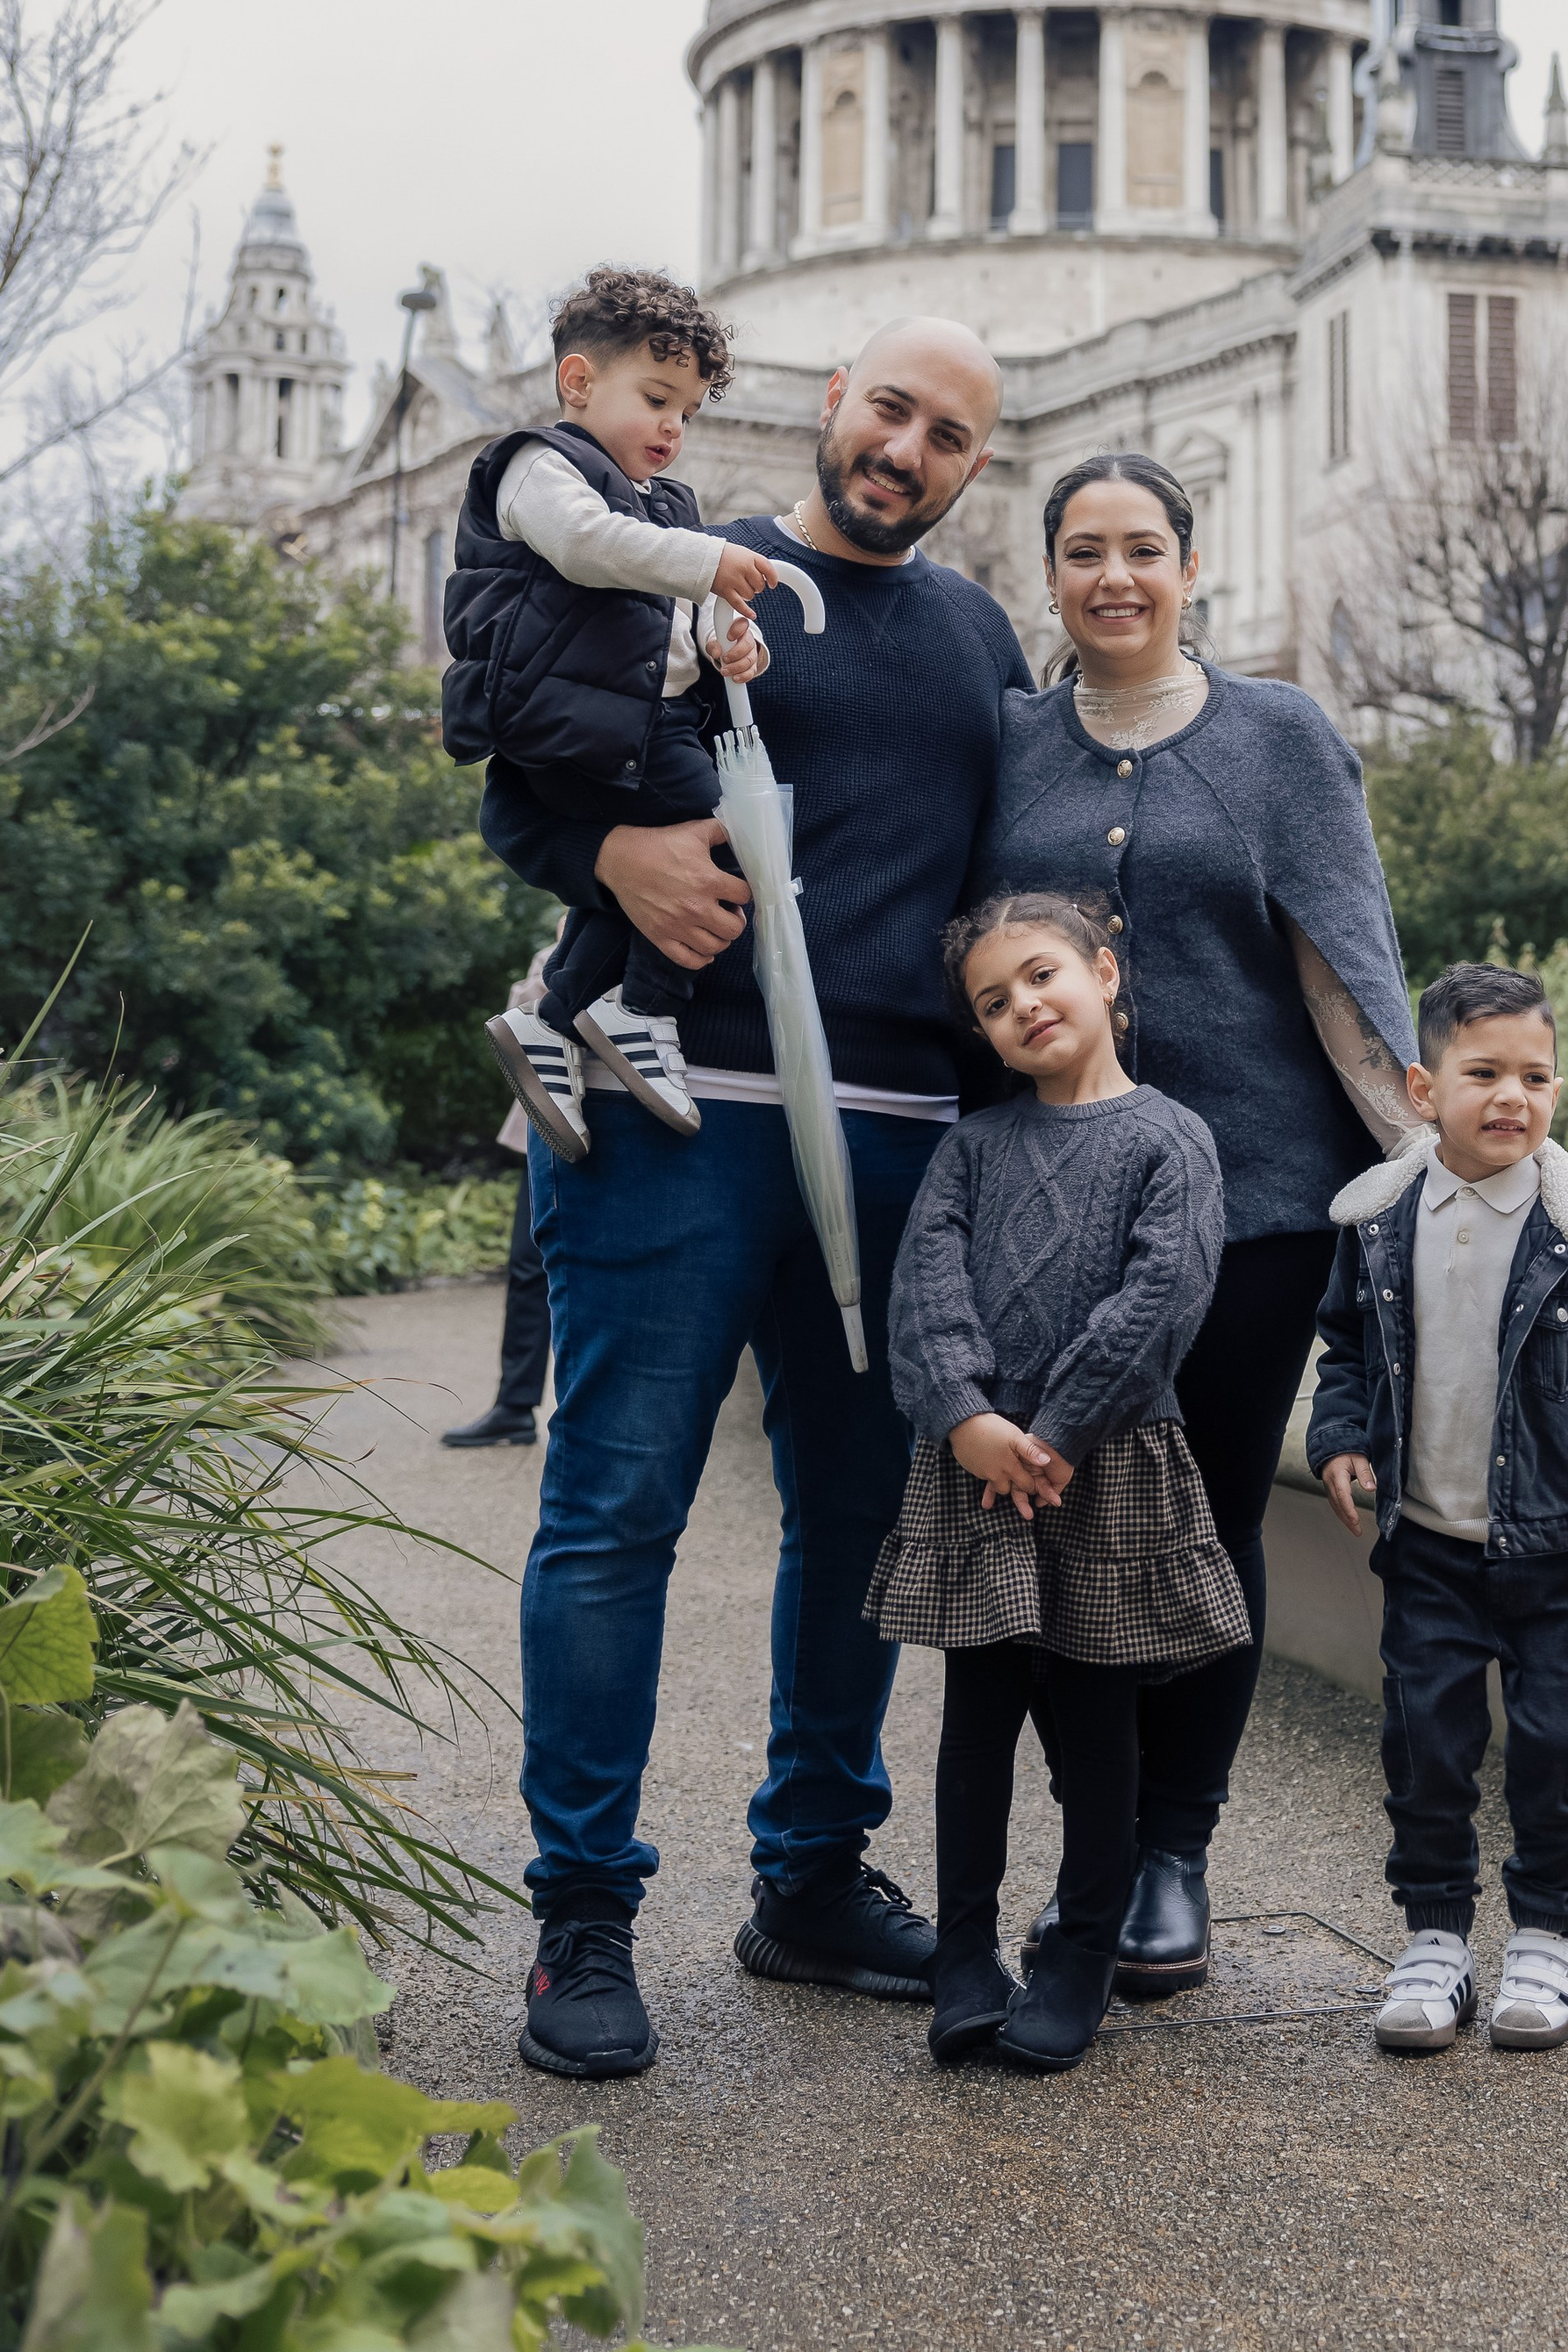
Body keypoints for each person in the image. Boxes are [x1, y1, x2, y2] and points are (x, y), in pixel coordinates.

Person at [477, 317, 1032, 2080]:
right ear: (830, 408)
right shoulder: (675, 571)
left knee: (863, 1522)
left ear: (968, 467)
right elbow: (513, 754)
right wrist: (606, 853)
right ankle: (583, 1917)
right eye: (889, 410)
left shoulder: (975, 637)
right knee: (613, 1505)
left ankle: (807, 1876)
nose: (905, 450)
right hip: (669, 1105)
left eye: (946, 435)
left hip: (895, 1133)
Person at [974, 452, 1414, 2001]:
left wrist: (1428, 1178)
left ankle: (1174, 1854)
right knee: (1054, 1521)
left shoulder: (1279, 737)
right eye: (1085, 551)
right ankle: (1093, 1852)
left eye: (1143, 550)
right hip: (1054, 1211)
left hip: (1256, 1211)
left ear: (1190, 564)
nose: (1115, 577)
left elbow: (1348, 972)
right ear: (1051, 574)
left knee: (1205, 1521)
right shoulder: (1015, 744)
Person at [869, 894, 1247, 2074]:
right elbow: (925, 1287)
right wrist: (973, 1418)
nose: (1024, 1006)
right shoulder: (973, 1148)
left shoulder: (1170, 1139)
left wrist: (1061, 1430)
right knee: (974, 1717)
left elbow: (1161, 1300)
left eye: (1040, 976)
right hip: (978, 1471)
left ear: (1102, 971)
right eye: (994, 1001)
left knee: (1097, 1723)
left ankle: (1083, 1948)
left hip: (1108, 1464)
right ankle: (967, 1952)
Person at [1307, 961, 1568, 2057]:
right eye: (1485, 1073)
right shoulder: (1378, 1218)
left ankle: (1545, 1938)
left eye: (1537, 1076)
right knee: (1424, 1745)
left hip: (1554, 1552)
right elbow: (1346, 1346)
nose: (1513, 1096)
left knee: (1555, 1750)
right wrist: (1338, 1439)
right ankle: (1433, 1939)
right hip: (1425, 1546)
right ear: (1426, 1090)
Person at [442, 266, 777, 1158]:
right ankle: (639, 1009)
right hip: (563, 719)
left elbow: (694, 618)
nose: (673, 426)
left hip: (640, 722)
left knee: (652, 882)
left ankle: (552, 1023)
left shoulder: (666, 505)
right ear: (579, 381)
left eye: (689, 412)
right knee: (734, 838)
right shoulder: (535, 467)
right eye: (658, 397)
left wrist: (735, 641)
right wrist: (705, 561)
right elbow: (589, 550)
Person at [442, 927, 562, 1451]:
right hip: (554, 1126)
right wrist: (565, 948)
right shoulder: (561, 941)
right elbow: (521, 1026)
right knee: (527, 1266)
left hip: (634, 1125)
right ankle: (515, 1406)